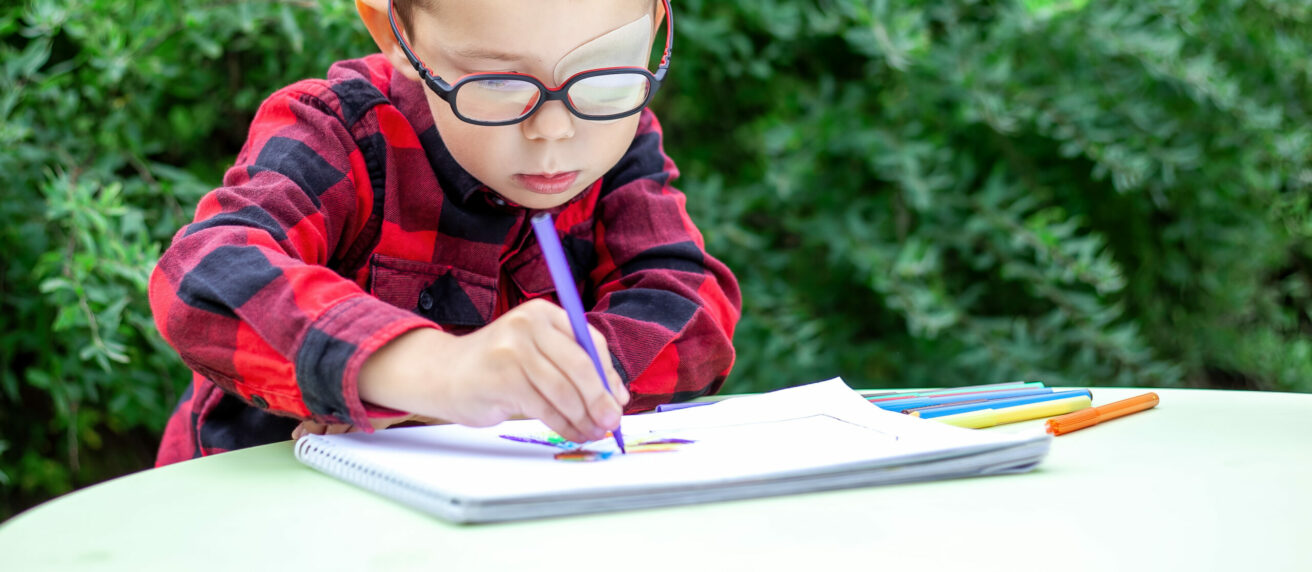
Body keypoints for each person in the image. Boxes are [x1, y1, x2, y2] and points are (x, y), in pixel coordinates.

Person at [147, 0, 741, 465]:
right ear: (394, 35)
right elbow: (205, 277)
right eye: (499, 83)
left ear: (656, 28)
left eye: (604, 78)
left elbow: (691, 309)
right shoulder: (338, 130)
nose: (555, 130)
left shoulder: (621, 138)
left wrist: (551, 385)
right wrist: (433, 374)